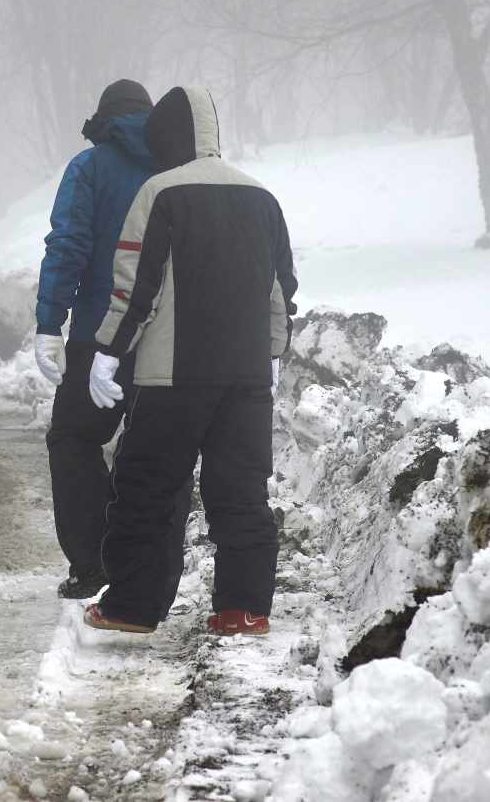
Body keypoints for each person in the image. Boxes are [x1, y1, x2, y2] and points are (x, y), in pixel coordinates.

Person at [83, 85, 297, 637]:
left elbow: (136, 288)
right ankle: (243, 609)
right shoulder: (261, 197)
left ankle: (132, 606)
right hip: (246, 378)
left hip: (171, 376)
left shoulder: (160, 193)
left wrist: (108, 351)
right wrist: (274, 351)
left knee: (147, 488)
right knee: (242, 490)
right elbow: (281, 289)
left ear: (165, 137)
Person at [33, 79, 158, 599]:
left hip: (98, 332)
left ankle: (91, 564)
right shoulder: (175, 167)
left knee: (74, 440)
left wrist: (49, 321)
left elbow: (69, 244)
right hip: (166, 336)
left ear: (104, 117)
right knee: (151, 450)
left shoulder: (89, 168)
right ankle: (145, 564)